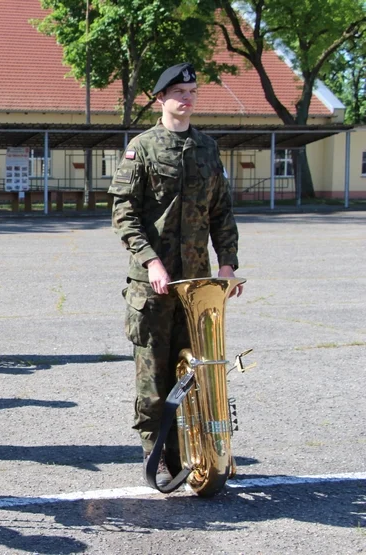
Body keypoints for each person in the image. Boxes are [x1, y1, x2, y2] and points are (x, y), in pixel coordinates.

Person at [107, 63, 241, 489]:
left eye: (192, 91)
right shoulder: (142, 148)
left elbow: (221, 211)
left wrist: (227, 266)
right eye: (178, 92)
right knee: (153, 378)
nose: (186, 99)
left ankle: (191, 451)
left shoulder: (207, 149)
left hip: (197, 285)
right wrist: (152, 262)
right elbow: (124, 214)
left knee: (196, 375)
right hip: (153, 285)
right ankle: (157, 453)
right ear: (160, 97)